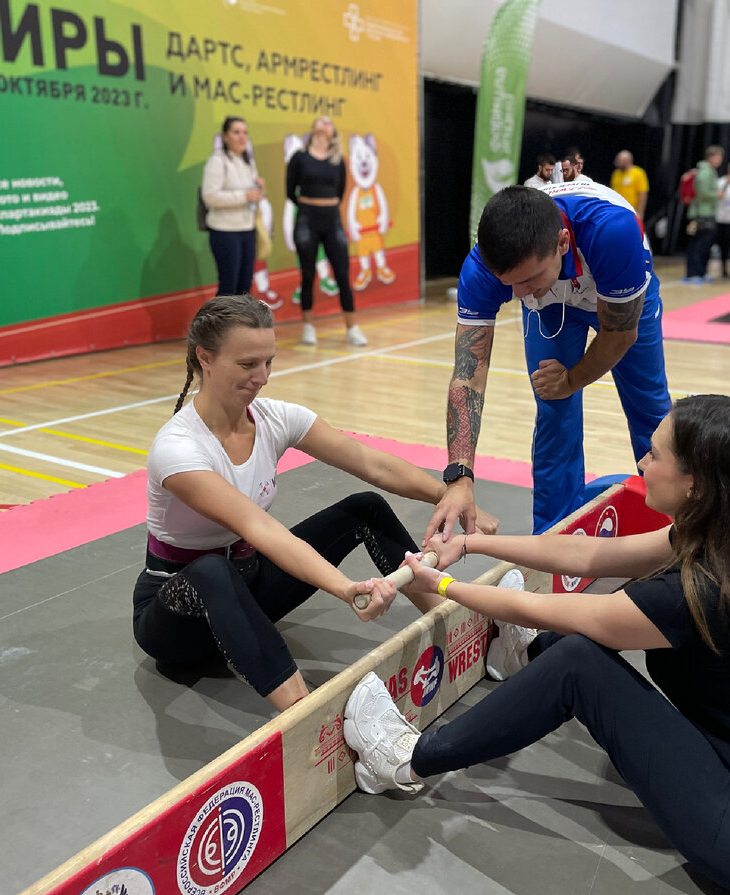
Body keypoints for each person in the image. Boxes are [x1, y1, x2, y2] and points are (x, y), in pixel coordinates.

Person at [346, 394, 730, 895]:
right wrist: (471, 543)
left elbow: (556, 612)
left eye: (656, 454)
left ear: (696, 485)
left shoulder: (700, 591)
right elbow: (591, 554)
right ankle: (522, 658)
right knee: (595, 623)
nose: (641, 461)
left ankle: (405, 760)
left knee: (579, 662)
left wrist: (440, 585)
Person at [131, 295, 497, 711]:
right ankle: (306, 714)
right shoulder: (178, 448)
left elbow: (372, 464)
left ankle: (456, 624)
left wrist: (453, 494)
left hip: (250, 593)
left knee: (365, 506)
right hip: (179, 619)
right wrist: (348, 590)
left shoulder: (273, 418)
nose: (263, 377)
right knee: (212, 571)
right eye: (248, 365)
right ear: (205, 358)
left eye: (268, 361)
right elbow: (261, 530)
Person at [425, 182, 671, 538]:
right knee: (554, 413)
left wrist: (572, 379)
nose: (518, 295)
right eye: (509, 285)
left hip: (620, 296)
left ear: (562, 243)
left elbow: (620, 335)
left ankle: (675, 525)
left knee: (650, 409)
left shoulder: (611, 232)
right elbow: (468, 376)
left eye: (527, 280)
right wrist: (459, 476)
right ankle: (554, 539)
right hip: (555, 302)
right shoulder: (482, 270)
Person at [285, 116, 365, 347]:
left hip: (332, 219)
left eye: (329, 122)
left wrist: (325, 205)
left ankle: (352, 328)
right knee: (308, 274)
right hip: (307, 218)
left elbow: (339, 192)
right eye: (321, 121)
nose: (324, 123)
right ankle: (308, 327)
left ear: (333, 134)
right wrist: (309, 204)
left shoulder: (337, 160)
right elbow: (290, 191)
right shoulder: (298, 158)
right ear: (312, 129)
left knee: (342, 273)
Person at [202, 116, 264, 296]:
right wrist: (244, 196)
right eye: (236, 132)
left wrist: (258, 192)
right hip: (225, 231)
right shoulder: (217, 161)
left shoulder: (247, 162)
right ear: (225, 136)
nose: (242, 137)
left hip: (247, 229)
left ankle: (240, 325)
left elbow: (251, 196)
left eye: (245, 133)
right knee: (228, 287)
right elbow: (210, 197)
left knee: (245, 287)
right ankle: (221, 325)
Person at [681, 145, 724, 284]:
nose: (719, 160)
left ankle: (701, 272)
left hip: (708, 213)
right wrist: (716, 194)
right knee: (697, 244)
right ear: (710, 157)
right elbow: (701, 191)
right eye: (717, 157)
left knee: (705, 245)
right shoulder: (705, 172)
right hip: (700, 214)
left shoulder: (711, 171)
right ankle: (693, 273)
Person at [609, 149, 649, 220]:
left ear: (627, 161)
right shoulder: (616, 173)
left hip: (631, 211)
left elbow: (642, 193)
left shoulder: (638, 173)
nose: (617, 162)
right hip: (616, 210)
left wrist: (640, 212)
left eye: (620, 160)